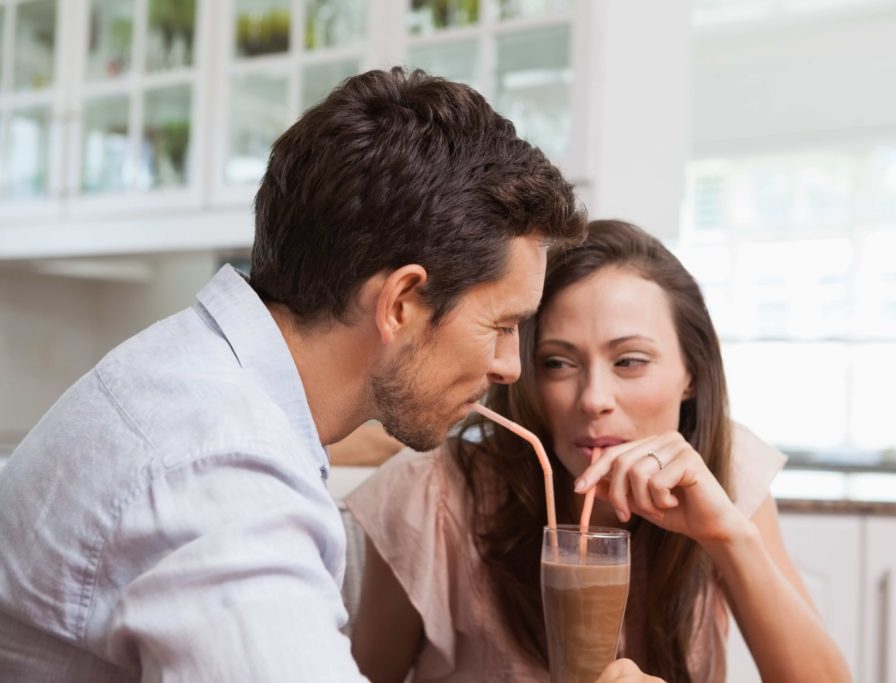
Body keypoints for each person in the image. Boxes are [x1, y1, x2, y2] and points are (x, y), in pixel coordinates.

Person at [0, 67, 607, 682]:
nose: (509, 365)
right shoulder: (222, 469)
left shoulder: (199, 384)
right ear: (400, 304)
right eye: (502, 325)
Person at [346, 220, 852, 682]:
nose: (592, 400)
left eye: (630, 361)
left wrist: (727, 535)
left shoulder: (724, 470)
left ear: (690, 376)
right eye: (558, 364)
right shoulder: (431, 494)